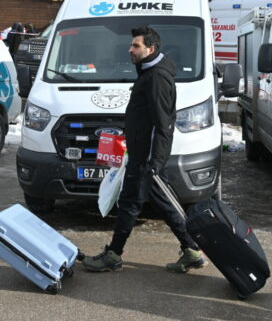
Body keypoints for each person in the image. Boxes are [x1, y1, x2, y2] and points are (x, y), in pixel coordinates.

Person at [82, 26, 206, 273]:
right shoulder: (149, 72)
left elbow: (163, 123)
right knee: (155, 203)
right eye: (132, 45)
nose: (130, 49)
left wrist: (154, 161)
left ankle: (114, 254)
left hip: (147, 157)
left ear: (150, 49)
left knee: (133, 203)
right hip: (142, 154)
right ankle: (191, 250)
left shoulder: (156, 77)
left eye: (135, 46)